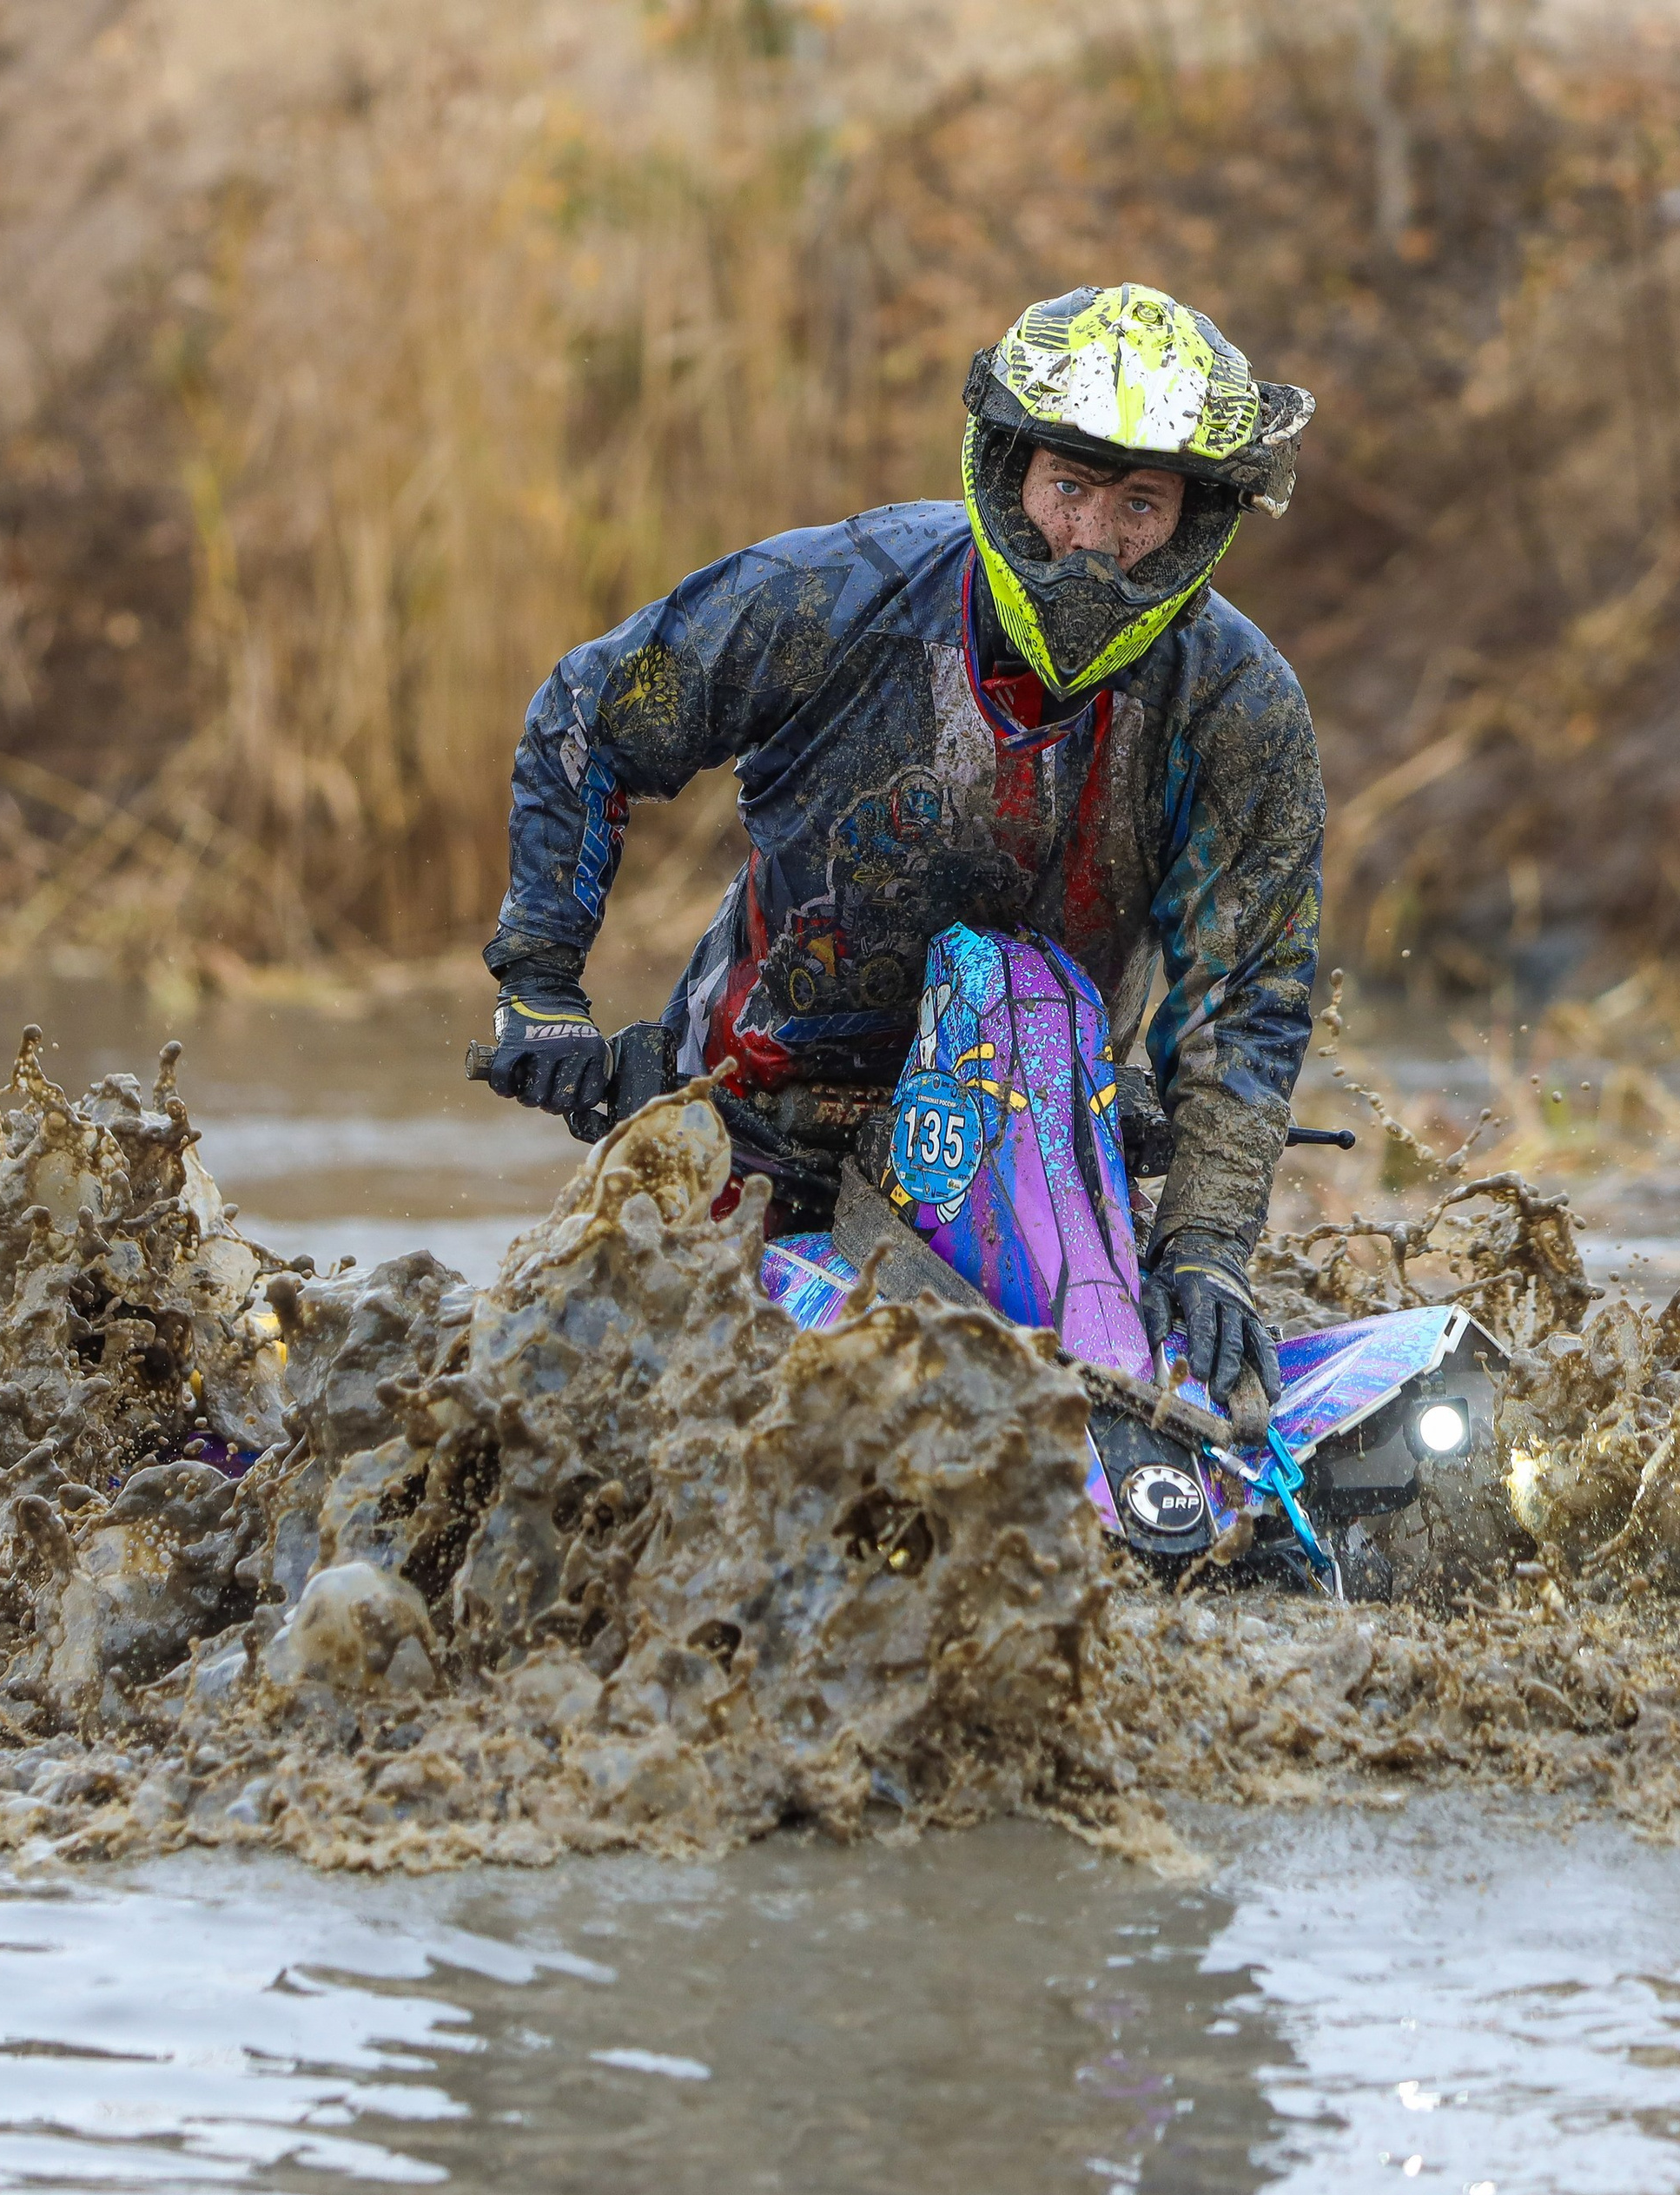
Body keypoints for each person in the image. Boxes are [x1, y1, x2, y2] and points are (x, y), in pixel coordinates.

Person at [481, 282, 1322, 1417]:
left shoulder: (1239, 704)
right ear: (1011, 473)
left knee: (1129, 1440)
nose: (1094, 542)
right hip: (744, 1137)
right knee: (582, 1428)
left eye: (1141, 504)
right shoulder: (833, 596)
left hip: (1039, 1168)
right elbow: (586, 717)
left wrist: (1208, 1249)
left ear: (1197, 519)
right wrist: (541, 992)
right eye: (1070, 487)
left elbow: (1250, 990)